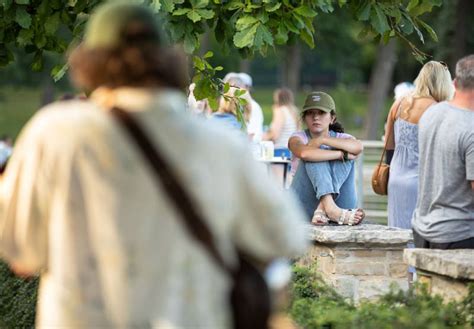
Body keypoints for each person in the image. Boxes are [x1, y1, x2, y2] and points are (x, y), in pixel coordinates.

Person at [0, 2, 308, 328]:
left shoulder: (56, 134)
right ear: (167, 59)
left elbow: (20, 251)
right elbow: (285, 238)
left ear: (88, 62)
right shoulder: (222, 143)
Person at [412, 54, 474, 249]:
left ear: (455, 82)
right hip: (459, 234)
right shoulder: (470, 128)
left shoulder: (431, 113)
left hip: (422, 230)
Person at [384, 61, 454, 232]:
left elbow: (389, 144)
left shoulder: (399, 103)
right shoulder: (439, 109)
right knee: (420, 236)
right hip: (422, 182)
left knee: (396, 233)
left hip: (395, 180)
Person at [289, 91, 365, 225]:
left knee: (336, 149)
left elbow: (358, 147)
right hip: (302, 205)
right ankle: (329, 207)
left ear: (332, 118)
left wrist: (323, 139)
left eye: (321, 113)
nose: (315, 117)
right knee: (313, 153)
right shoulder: (297, 138)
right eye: (310, 113)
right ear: (304, 118)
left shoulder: (343, 138)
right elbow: (305, 154)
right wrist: (341, 154)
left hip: (341, 203)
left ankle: (323, 208)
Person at [262, 88, 300, 158]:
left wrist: (261, 137)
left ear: (278, 98)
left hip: (280, 151)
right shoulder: (294, 111)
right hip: (291, 152)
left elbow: (275, 134)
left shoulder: (280, 111)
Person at [239, 72, 264, 142]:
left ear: (247, 88)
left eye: (238, 86)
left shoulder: (254, 106)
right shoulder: (236, 104)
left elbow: (254, 135)